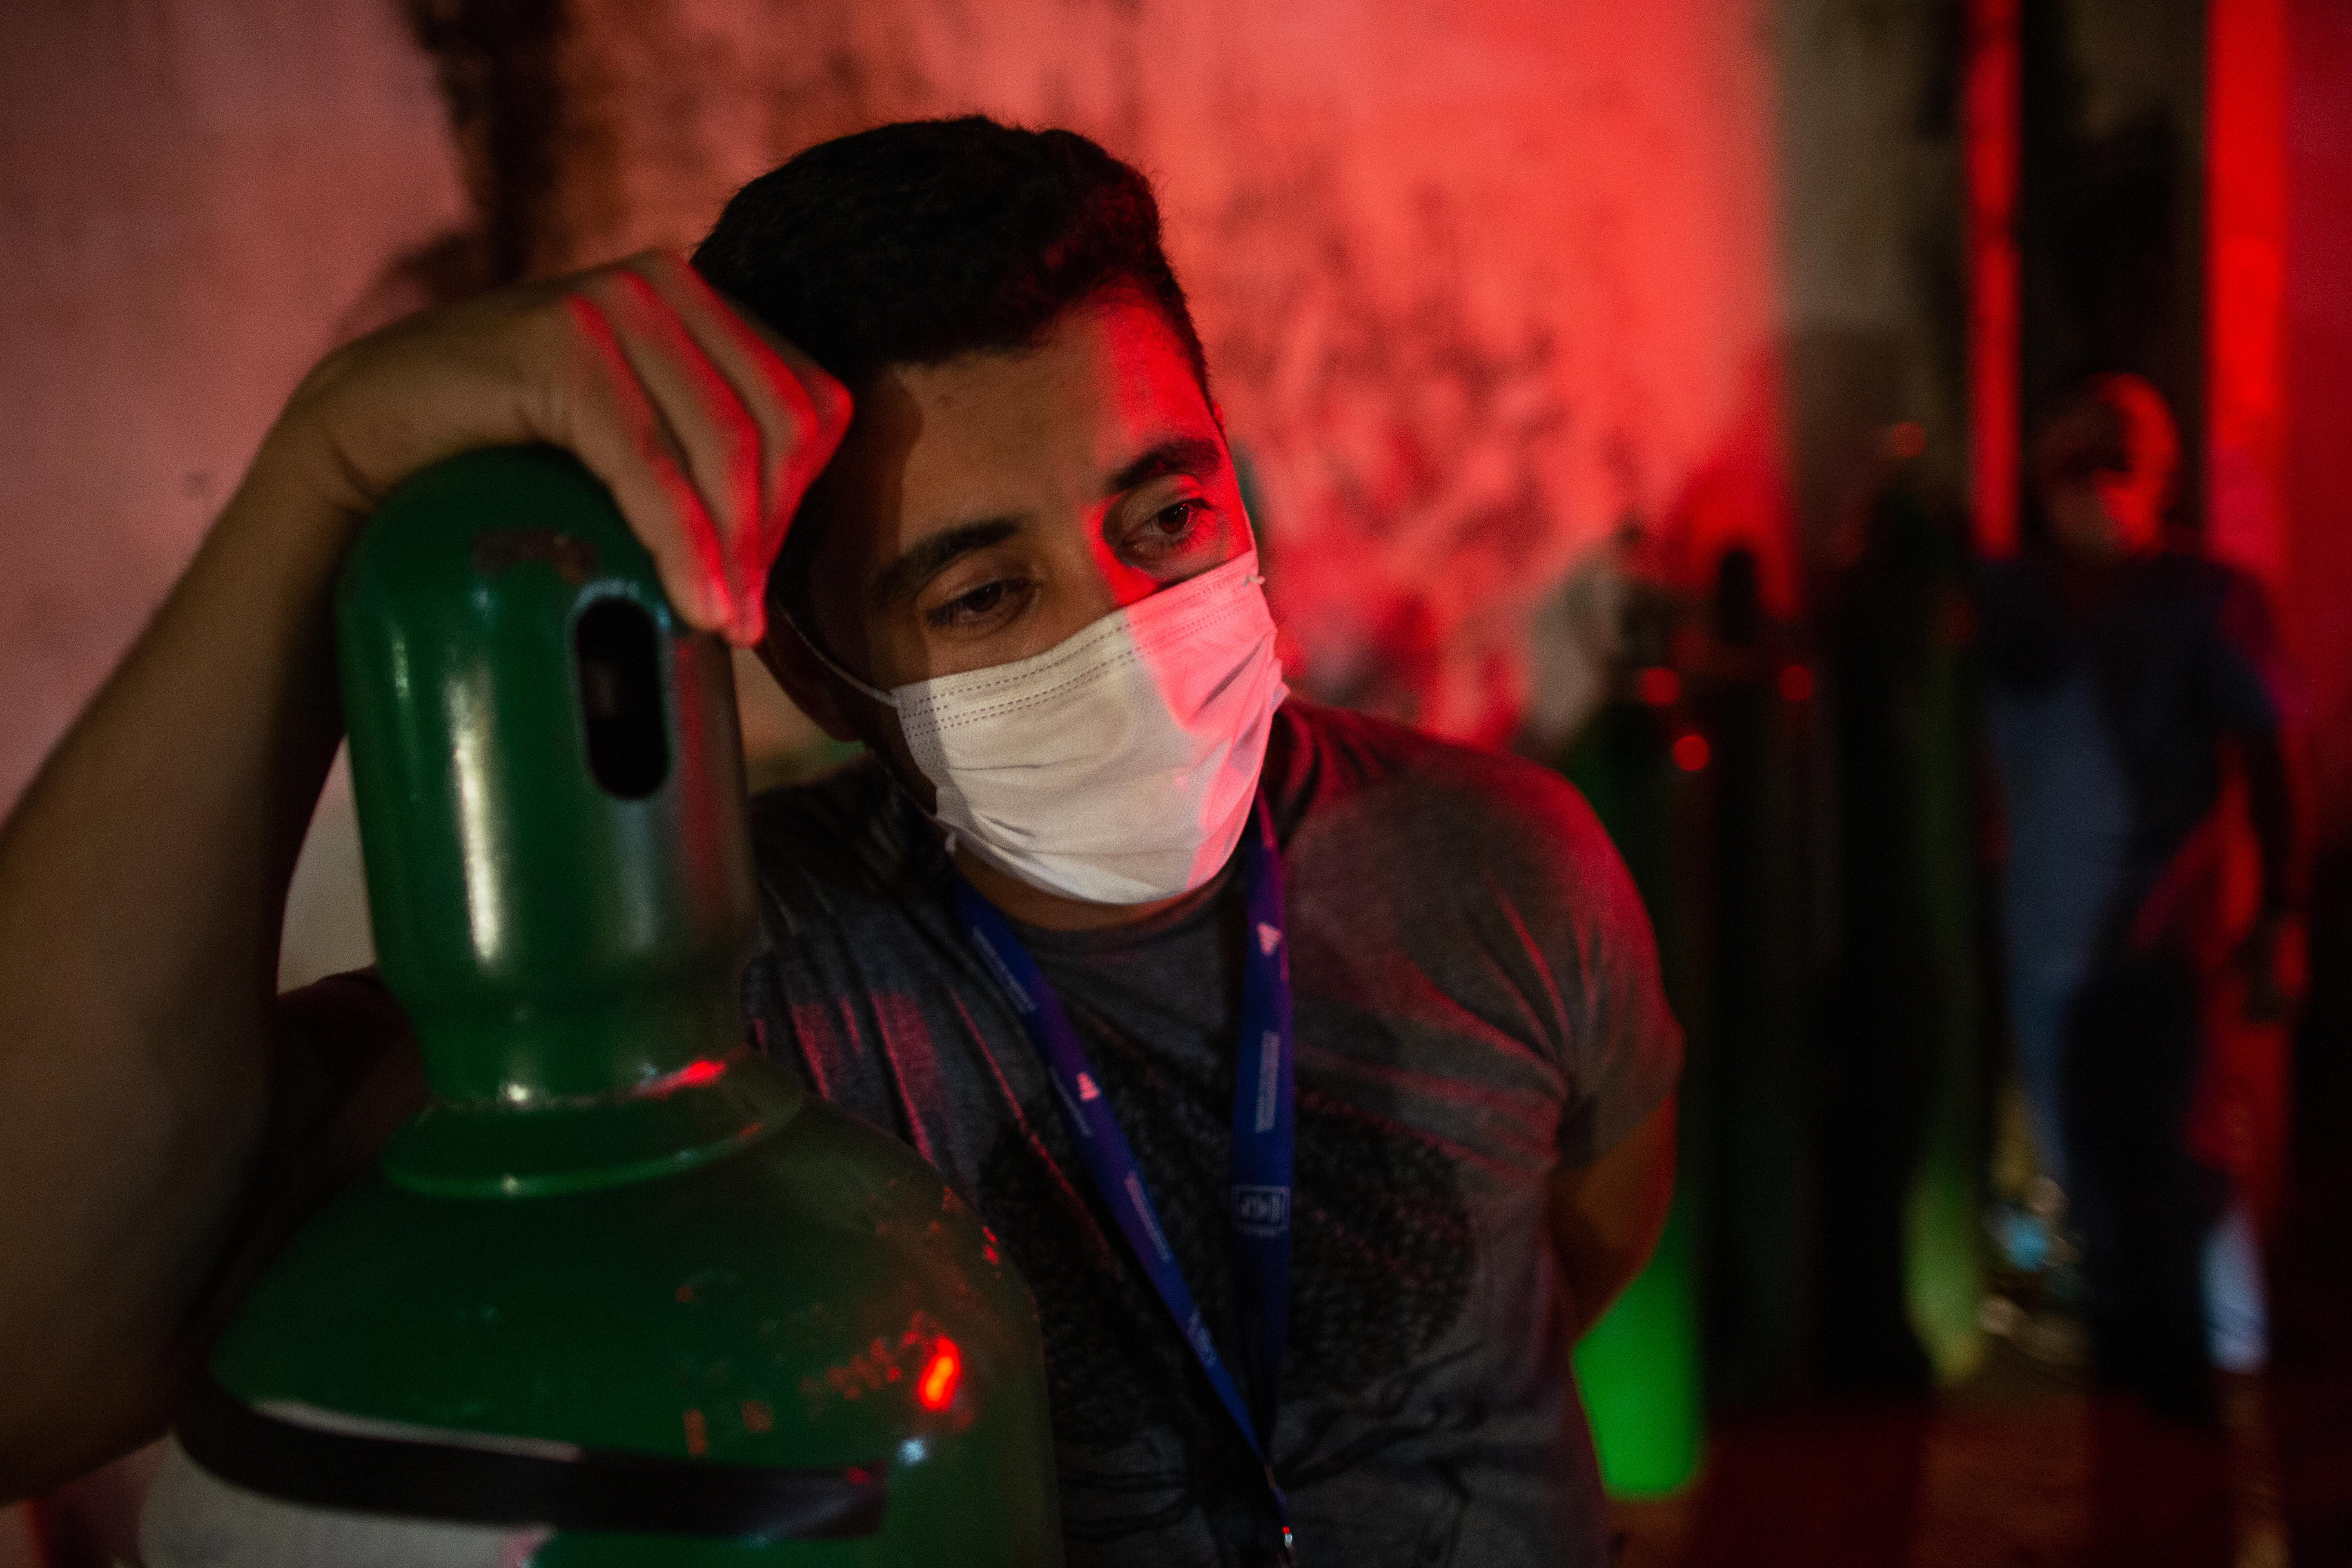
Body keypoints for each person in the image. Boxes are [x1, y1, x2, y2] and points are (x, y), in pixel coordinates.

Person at [0, 118, 1678, 1565]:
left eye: (1166, 515)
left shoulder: (1506, 862)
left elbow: (1583, 1248)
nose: (1131, 636)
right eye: (982, 591)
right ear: (820, 665)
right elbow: (38, 1347)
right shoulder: (718, 1003)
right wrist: (328, 468)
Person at [1980, 373, 2295, 1422]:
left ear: (2156, 479)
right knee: (2086, 1163)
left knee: (2179, 1151)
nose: (2094, 491)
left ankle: (2186, 1370)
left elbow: (2268, 757)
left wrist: (2274, 915)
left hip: (2164, 937)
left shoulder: (2206, 601)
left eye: (2116, 468)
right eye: (2075, 469)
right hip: (2047, 940)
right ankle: (2123, 1365)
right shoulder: (2011, 602)